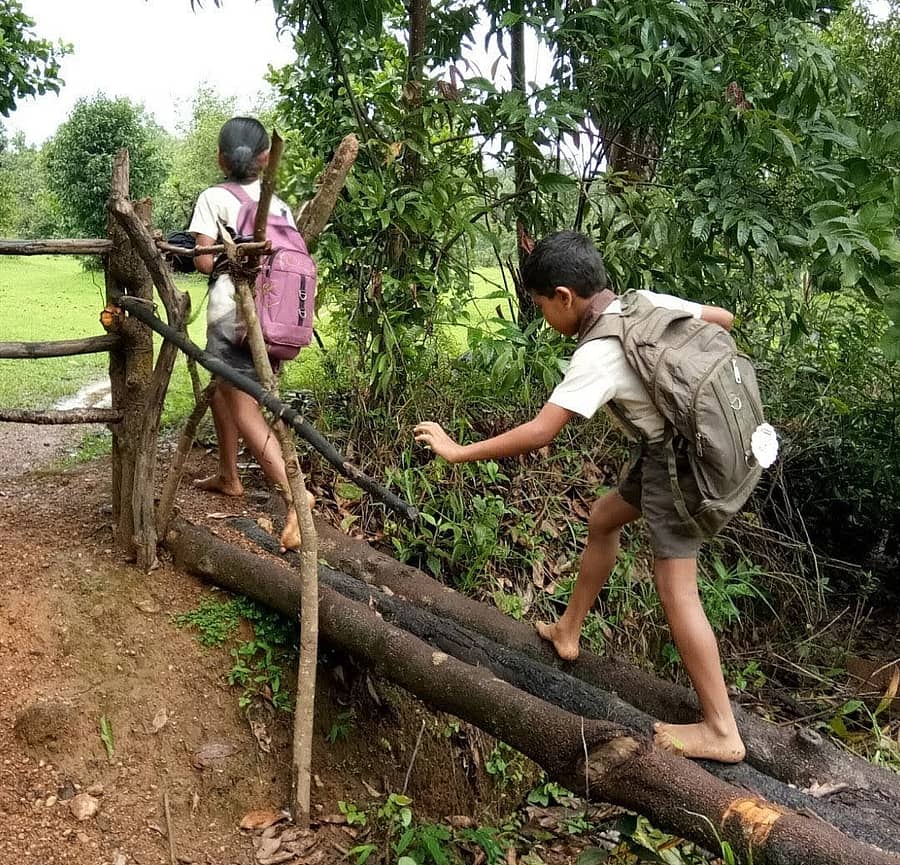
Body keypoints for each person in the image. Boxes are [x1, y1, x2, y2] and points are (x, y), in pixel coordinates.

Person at [414, 230, 745, 763]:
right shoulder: (642, 303)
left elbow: (542, 432)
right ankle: (568, 630)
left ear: (564, 296)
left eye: (543, 305)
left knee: (675, 587)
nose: (545, 316)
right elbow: (723, 319)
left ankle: (722, 730)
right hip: (676, 447)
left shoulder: (599, 353)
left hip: (685, 464)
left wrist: (457, 451)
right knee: (604, 517)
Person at [189, 116, 313, 552]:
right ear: (265, 160)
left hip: (232, 315)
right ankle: (229, 476)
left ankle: (296, 497)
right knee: (226, 393)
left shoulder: (213, 196)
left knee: (245, 410)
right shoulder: (277, 203)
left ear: (220, 158)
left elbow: (204, 261)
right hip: (272, 318)